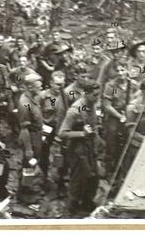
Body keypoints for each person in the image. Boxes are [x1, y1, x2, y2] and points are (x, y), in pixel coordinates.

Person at [59, 80, 101, 213]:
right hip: (77, 150)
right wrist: (82, 133)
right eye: (94, 95)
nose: (97, 98)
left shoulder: (91, 105)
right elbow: (62, 133)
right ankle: (72, 206)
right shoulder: (74, 111)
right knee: (79, 178)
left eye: (98, 95)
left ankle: (87, 201)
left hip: (90, 147)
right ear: (85, 94)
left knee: (93, 177)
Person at [39, 71, 68, 187]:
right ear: (51, 83)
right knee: (43, 153)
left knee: (61, 155)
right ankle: (43, 177)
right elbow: (37, 113)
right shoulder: (42, 96)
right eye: (57, 84)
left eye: (62, 84)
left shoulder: (65, 95)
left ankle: (59, 177)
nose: (60, 87)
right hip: (46, 128)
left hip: (60, 128)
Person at [17, 73, 43, 201]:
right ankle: (23, 193)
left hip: (36, 136)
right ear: (30, 87)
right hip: (30, 138)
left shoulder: (34, 97)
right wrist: (28, 149)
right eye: (39, 86)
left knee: (31, 163)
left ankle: (27, 186)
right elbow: (24, 128)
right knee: (28, 163)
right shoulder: (25, 104)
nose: (41, 88)